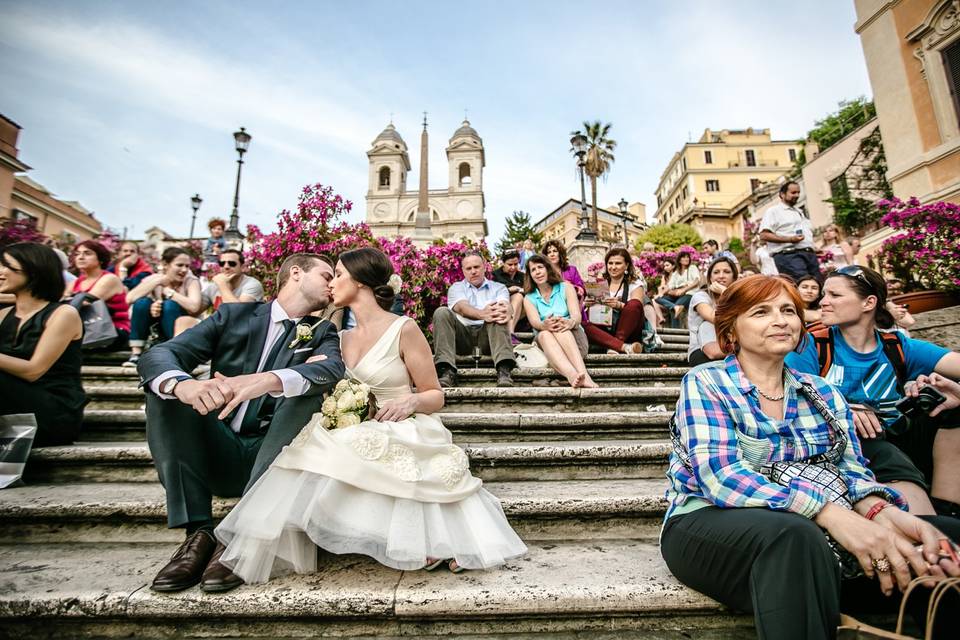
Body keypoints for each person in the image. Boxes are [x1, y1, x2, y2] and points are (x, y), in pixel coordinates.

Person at [661, 274, 960, 640]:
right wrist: (830, 514)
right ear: (732, 331)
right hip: (710, 521)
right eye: (761, 312)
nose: (781, 320)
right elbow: (721, 478)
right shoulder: (706, 381)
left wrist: (880, 512)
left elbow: (851, 468)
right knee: (795, 536)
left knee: (942, 537)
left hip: (816, 532)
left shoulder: (823, 392)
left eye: (788, 310)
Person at [215, 247, 527, 583]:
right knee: (309, 448)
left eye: (337, 274)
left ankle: (421, 536)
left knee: (375, 448)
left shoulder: (404, 328)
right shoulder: (338, 336)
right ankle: (249, 547)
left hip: (402, 421)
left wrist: (409, 403)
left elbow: (435, 395)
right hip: (352, 423)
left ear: (361, 282)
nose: (331, 283)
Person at [138, 253, 345, 594]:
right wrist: (184, 385)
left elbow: (331, 369)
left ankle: (240, 533)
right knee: (165, 388)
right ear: (296, 273)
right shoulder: (234, 315)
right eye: (326, 274)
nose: (333, 283)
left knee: (305, 389)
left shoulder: (323, 331)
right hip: (221, 448)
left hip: (275, 458)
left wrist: (266, 380)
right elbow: (159, 354)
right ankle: (199, 533)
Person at [786, 265, 960, 518]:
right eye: (824, 294)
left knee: (953, 407)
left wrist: (955, 391)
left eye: (835, 295)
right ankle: (929, 523)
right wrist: (843, 410)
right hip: (854, 445)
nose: (823, 302)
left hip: (901, 434)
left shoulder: (896, 346)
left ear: (868, 303)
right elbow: (794, 398)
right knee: (869, 432)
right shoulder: (813, 344)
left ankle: (948, 510)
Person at [0, 243, 85, 447]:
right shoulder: (3, 315)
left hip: (53, 410)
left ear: (34, 271)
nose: (1, 272)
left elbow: (34, 370)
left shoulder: (64, 314)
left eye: (7, 266)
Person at [432, 251, 515, 388]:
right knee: (441, 312)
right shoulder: (456, 288)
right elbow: (462, 308)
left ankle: (504, 370)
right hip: (462, 338)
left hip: (489, 338)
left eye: (476, 267)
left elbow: (505, 305)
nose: (473, 271)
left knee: (496, 313)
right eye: (469, 268)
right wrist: (483, 313)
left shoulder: (499, 288)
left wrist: (506, 310)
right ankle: (447, 371)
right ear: (463, 271)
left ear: (485, 267)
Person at [522, 254, 596, 388]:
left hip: (574, 340)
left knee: (561, 328)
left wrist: (569, 322)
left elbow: (576, 317)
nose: (537, 272)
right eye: (533, 269)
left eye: (540, 267)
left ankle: (584, 375)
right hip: (547, 346)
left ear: (548, 268)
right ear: (530, 275)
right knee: (544, 333)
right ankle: (572, 375)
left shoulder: (566, 287)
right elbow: (535, 323)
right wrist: (544, 325)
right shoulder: (528, 298)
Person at [123, 247, 203, 367]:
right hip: (155, 329)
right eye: (180, 265)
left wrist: (168, 292)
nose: (184, 270)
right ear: (165, 265)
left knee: (169, 305)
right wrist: (158, 282)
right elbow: (130, 298)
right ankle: (136, 354)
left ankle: (174, 352)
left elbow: (194, 307)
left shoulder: (191, 281)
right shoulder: (154, 279)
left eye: (187, 266)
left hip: (181, 331)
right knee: (142, 303)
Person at [583, 248, 657, 355]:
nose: (613, 267)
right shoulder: (599, 284)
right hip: (604, 326)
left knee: (634, 303)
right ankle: (622, 346)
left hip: (629, 329)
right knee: (581, 321)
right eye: (610, 263)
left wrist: (619, 305)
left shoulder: (635, 284)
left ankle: (616, 344)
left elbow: (637, 307)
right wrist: (588, 304)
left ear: (626, 265)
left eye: (617, 263)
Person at [174, 249, 265, 336]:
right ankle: (172, 351)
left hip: (242, 332)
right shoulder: (213, 287)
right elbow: (194, 311)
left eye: (232, 263)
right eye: (222, 263)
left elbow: (238, 314)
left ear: (242, 267)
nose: (226, 267)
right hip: (218, 329)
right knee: (183, 321)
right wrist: (184, 286)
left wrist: (222, 285)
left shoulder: (252, 284)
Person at [70, 239, 130, 349]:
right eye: (77, 254)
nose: (80, 257)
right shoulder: (75, 282)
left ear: (100, 259)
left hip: (112, 330)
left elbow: (82, 302)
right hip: (86, 329)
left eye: (87, 253)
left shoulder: (109, 279)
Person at [758, 181, 819, 282]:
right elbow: (764, 235)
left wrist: (812, 247)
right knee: (801, 285)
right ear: (782, 194)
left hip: (808, 255)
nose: (797, 195)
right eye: (793, 192)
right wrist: (790, 239)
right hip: (789, 255)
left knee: (817, 285)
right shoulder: (774, 211)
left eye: (798, 192)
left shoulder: (799, 211)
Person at [686, 257, 738, 366]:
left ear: (734, 278)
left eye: (727, 272)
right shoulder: (700, 296)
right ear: (710, 278)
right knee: (707, 324)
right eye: (716, 272)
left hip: (730, 349)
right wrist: (726, 293)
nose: (721, 276)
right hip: (701, 353)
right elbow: (715, 317)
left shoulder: (739, 298)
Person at [655, 251, 700, 328]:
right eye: (684, 257)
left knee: (675, 307)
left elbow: (696, 281)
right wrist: (662, 293)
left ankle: (675, 330)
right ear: (679, 260)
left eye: (687, 257)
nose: (686, 259)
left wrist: (684, 290)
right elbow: (670, 286)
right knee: (657, 299)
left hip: (689, 293)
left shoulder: (692, 268)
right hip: (677, 294)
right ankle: (674, 307)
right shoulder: (676, 273)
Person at [542, 240, 586, 316]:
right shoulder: (543, 273)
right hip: (552, 313)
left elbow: (582, 290)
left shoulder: (572, 270)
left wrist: (571, 287)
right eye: (549, 252)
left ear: (560, 253)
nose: (552, 254)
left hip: (574, 310)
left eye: (555, 251)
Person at [491, 249, 525, 341]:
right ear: (503, 263)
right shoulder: (495, 275)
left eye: (516, 264)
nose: (513, 268)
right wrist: (508, 290)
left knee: (520, 296)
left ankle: (510, 332)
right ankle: (510, 333)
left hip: (521, 310)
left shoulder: (522, 276)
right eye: (510, 265)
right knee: (518, 296)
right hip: (502, 308)